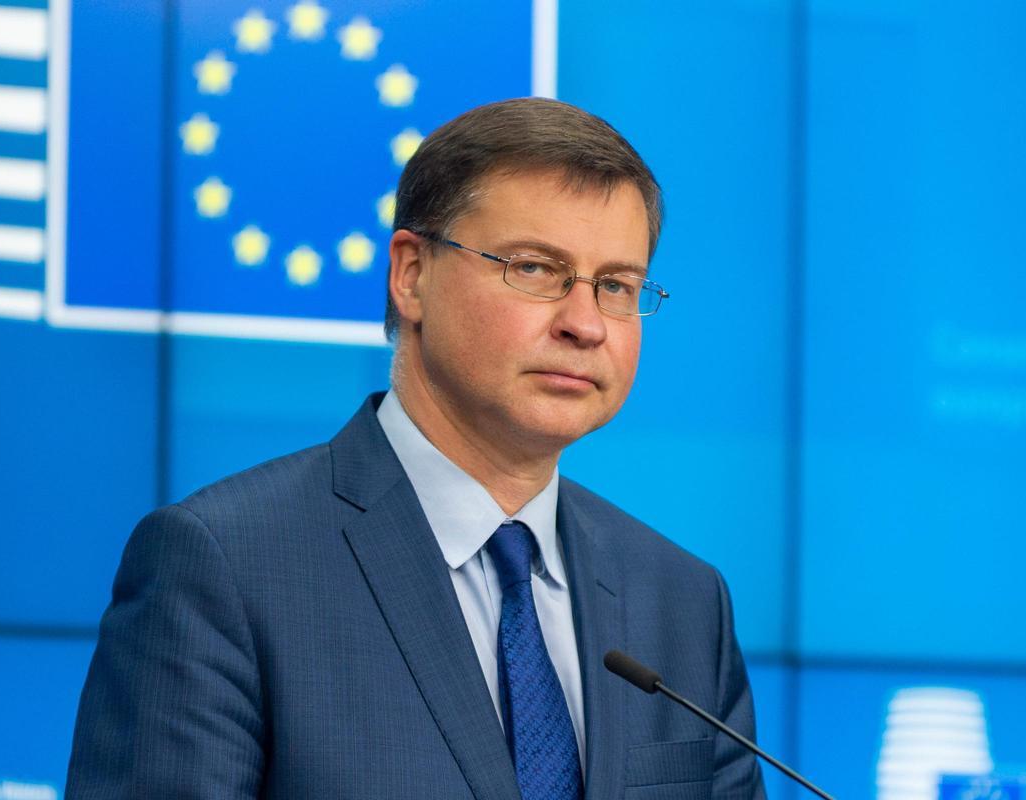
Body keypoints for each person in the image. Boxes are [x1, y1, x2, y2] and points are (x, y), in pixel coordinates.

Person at [66, 98, 766, 799]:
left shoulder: (682, 601)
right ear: (411, 274)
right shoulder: (225, 567)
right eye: (534, 269)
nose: (585, 323)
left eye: (616, 285)